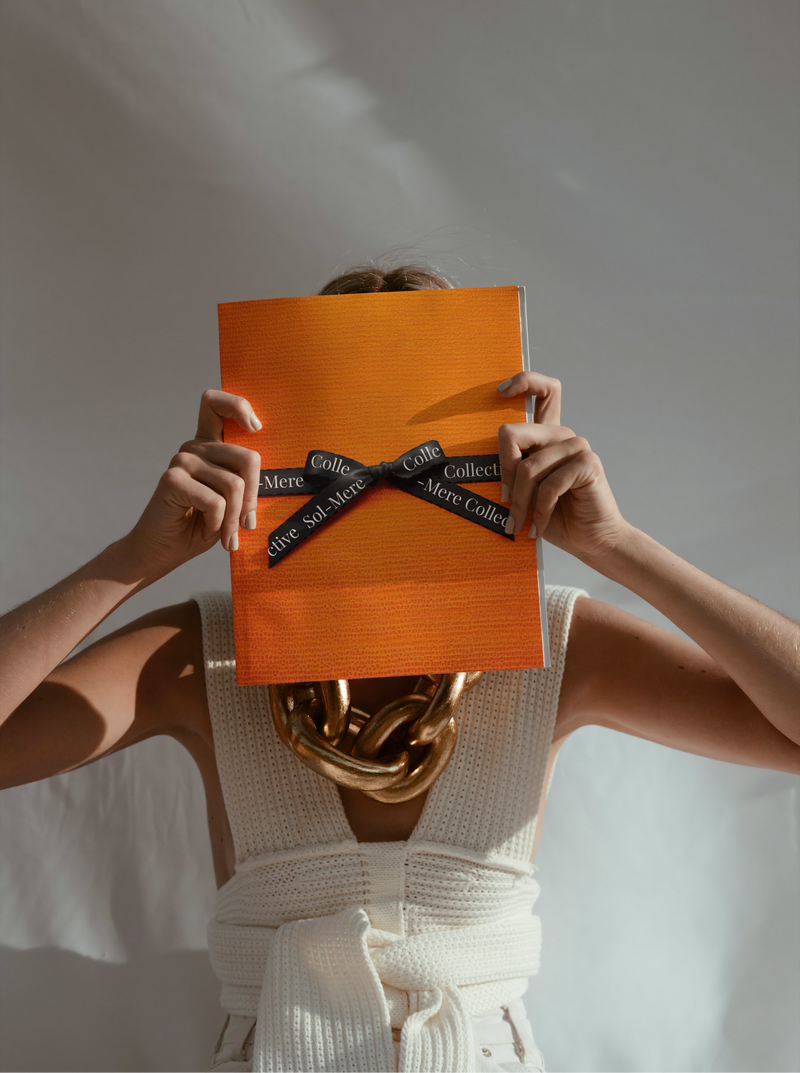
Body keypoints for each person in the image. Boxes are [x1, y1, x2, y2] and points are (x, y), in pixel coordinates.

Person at [1, 264, 798, 1073]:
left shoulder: (554, 645)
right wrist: (136, 558)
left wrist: (618, 545)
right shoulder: (204, 653)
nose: (377, 479)